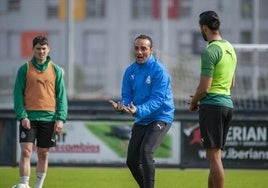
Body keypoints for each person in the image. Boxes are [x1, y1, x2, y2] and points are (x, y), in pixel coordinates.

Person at [109, 34, 174, 188]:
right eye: (137, 48)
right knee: (131, 161)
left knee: (146, 152)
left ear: (151, 50)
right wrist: (121, 106)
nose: (139, 52)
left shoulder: (160, 72)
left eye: (143, 49)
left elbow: (157, 100)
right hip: (141, 118)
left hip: (160, 117)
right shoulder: (129, 71)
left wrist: (138, 110)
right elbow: (126, 96)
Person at [189, 11, 237, 188]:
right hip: (227, 104)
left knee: (213, 157)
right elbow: (231, 82)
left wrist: (194, 102)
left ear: (203, 28)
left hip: (213, 106)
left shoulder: (211, 50)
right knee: (215, 157)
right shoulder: (229, 48)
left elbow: (204, 88)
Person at [13, 35, 68, 188]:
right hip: (28, 118)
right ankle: (24, 185)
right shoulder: (24, 69)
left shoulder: (55, 70)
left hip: (49, 119)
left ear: (48, 49)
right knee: (26, 151)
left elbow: (62, 96)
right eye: (38, 49)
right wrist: (22, 115)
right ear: (33, 50)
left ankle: (38, 186)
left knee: (43, 153)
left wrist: (60, 119)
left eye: (44, 49)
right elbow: (17, 95)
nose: (41, 52)